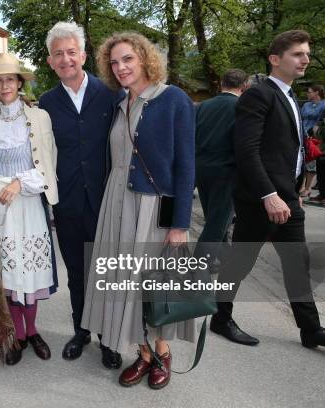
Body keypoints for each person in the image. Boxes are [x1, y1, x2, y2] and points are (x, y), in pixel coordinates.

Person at [81, 31, 196, 390]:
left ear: (145, 58)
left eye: (127, 59)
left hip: (152, 205)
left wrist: (179, 223)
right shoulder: (120, 102)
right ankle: (143, 353)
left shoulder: (173, 99)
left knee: (156, 282)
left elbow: (185, 166)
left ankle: (162, 352)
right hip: (116, 203)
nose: (120, 67)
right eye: (114, 62)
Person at [211, 30, 325, 353]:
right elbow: (247, 150)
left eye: (307, 54)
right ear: (275, 59)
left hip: (288, 199)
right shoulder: (259, 94)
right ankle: (220, 318)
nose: (305, 59)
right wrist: (268, 195)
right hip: (260, 200)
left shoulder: (292, 96)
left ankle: (310, 330)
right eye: (298, 54)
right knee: (240, 262)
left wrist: (291, 193)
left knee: (298, 263)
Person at [38, 21, 123, 367]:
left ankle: (108, 338)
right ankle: (81, 330)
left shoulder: (111, 94)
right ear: (50, 61)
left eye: (71, 51)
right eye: (58, 53)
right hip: (68, 202)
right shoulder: (46, 103)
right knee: (77, 271)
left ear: (84, 55)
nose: (66, 58)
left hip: (106, 201)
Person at [0, 53, 58, 365]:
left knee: (29, 274)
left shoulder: (40, 118)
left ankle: (32, 331)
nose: (4, 84)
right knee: (6, 275)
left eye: (10, 78)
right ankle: (17, 334)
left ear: (20, 83)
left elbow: (48, 165)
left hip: (27, 203)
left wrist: (20, 182)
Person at [194, 69, 248, 272]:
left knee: (216, 219)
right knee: (217, 223)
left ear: (222, 84)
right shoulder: (241, 107)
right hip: (226, 171)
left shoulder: (203, 105)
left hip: (202, 168)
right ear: (244, 86)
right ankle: (198, 267)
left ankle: (225, 259)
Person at [300, 84, 325, 198]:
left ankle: (308, 188)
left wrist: (313, 133)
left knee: (311, 163)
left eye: (310, 92)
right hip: (303, 133)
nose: (308, 94)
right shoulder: (306, 104)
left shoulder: (324, 106)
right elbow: (301, 117)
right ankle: (301, 186)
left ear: (317, 93)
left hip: (314, 136)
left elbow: (321, 122)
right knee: (303, 160)